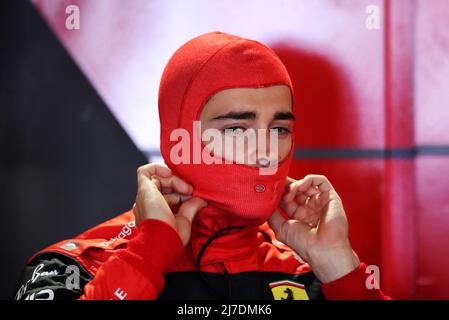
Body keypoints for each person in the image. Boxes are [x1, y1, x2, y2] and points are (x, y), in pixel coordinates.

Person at [15, 32, 388, 300]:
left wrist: (341, 269)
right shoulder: (74, 269)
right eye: (236, 129)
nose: (265, 151)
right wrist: (146, 257)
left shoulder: (313, 273)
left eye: (278, 128)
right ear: (180, 137)